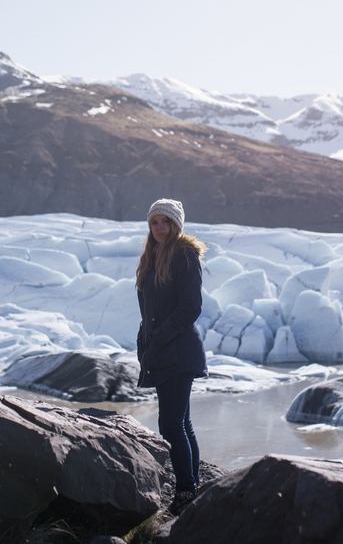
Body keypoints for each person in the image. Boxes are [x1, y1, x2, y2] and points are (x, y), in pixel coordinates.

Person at [136, 198, 208, 515]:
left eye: (166, 222)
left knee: (170, 425)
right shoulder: (152, 257)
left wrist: (160, 340)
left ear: (176, 224)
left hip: (179, 352)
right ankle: (190, 485)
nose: (160, 228)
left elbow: (190, 307)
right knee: (182, 422)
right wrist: (145, 341)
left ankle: (184, 492)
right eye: (155, 222)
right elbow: (150, 310)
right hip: (164, 350)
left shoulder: (184, 255)